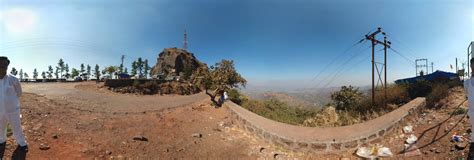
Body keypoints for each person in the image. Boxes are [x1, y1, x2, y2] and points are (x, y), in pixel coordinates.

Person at [0, 56, 28, 153]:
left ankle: (22, 143)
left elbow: (19, 93)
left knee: (17, 127)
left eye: (4, 65)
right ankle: (2, 140)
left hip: (13, 110)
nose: (2, 67)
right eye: (0, 65)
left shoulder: (14, 79)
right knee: (0, 127)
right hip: (0, 110)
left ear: (7, 66)